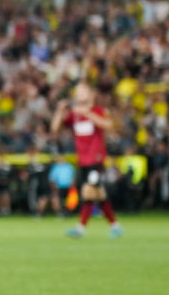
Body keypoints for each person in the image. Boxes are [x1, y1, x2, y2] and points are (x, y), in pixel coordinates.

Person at [51, 82, 123, 238]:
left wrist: (87, 113)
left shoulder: (98, 111)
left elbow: (108, 125)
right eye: (77, 92)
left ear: (91, 94)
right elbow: (55, 128)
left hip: (96, 159)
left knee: (88, 192)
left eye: (82, 91)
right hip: (83, 160)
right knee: (99, 194)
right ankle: (115, 226)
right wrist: (60, 110)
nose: (78, 94)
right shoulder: (75, 115)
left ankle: (80, 228)